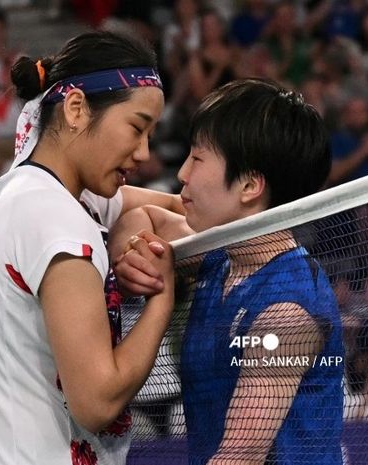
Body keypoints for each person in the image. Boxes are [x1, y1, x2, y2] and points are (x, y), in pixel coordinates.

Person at [0, 31, 187, 465]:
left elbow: (176, 208)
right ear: (77, 108)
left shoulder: (38, 192)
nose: (143, 153)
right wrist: (162, 296)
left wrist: (133, 227)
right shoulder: (53, 217)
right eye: (137, 128)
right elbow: (96, 403)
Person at [111, 79, 344, 464]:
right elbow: (135, 211)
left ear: (250, 185)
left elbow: (240, 456)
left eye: (198, 158)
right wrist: (129, 253)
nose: (183, 172)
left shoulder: (285, 314)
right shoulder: (221, 256)